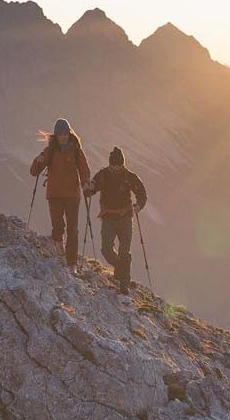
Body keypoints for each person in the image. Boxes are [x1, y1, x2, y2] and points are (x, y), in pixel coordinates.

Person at [85, 146, 147, 293]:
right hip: (108, 218)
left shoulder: (129, 176)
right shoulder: (103, 175)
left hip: (125, 218)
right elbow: (91, 190)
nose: (116, 169)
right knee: (106, 249)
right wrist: (88, 189)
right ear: (110, 164)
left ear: (122, 164)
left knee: (124, 251)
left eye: (119, 166)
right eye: (114, 166)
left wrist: (139, 205)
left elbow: (142, 193)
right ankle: (122, 269)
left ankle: (124, 284)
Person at [29, 118, 90, 266]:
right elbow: (34, 172)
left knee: (72, 229)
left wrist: (86, 184)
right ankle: (59, 246)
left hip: (72, 195)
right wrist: (38, 161)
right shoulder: (50, 151)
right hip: (55, 194)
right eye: (60, 134)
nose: (63, 136)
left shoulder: (76, 150)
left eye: (65, 133)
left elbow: (84, 170)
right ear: (56, 135)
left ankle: (72, 263)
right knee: (58, 226)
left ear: (69, 133)